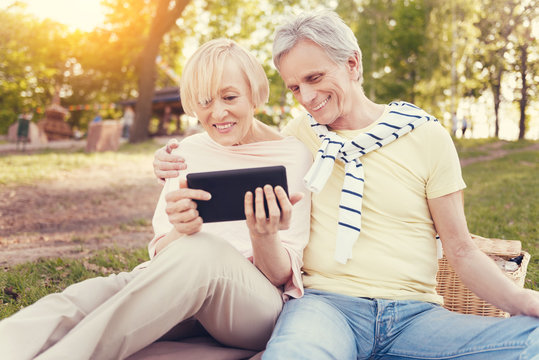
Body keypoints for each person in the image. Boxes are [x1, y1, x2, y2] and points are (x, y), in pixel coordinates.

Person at [154, 11, 539, 359]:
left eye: (315, 78)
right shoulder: (296, 139)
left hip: (415, 315)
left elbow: (461, 250)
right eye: (294, 88)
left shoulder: (426, 136)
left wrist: (522, 301)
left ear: (352, 63)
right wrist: (167, 158)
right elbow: (233, 138)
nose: (307, 97)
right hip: (324, 308)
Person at [0, 38, 312, 360]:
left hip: (251, 308)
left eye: (230, 97)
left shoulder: (291, 156)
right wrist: (181, 229)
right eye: (204, 101)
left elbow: (279, 276)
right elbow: (163, 252)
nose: (218, 112)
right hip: (177, 286)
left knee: (204, 251)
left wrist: (264, 235)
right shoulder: (186, 153)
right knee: (83, 299)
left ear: (254, 94)